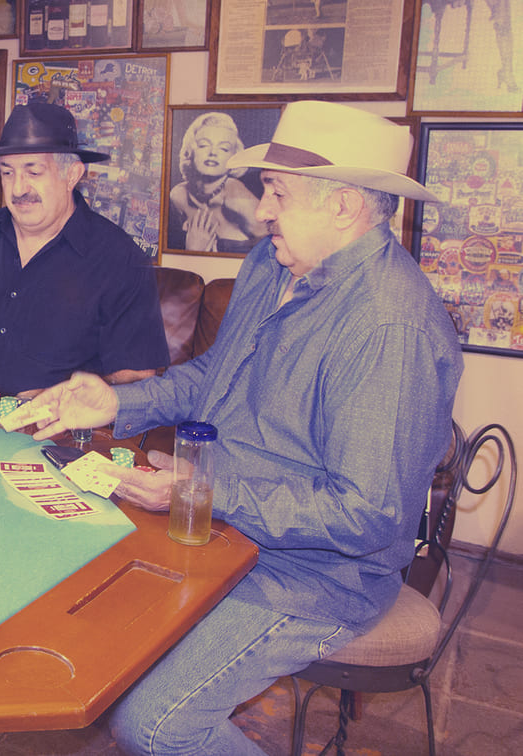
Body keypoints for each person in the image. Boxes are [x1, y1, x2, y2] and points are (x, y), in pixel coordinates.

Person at [26, 101, 463, 756]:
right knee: (76, 622)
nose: (261, 211)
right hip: (217, 533)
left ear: (344, 206)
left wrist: (205, 494)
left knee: (153, 724)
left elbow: (366, 515)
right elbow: (214, 374)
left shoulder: (389, 327)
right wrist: (116, 403)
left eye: (277, 192)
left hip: (312, 578)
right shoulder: (271, 263)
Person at [0, 102, 168, 397]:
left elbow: (137, 375)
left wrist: (61, 396)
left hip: (62, 424)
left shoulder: (119, 258)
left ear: (71, 175)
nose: (18, 189)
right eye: (7, 173)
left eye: (33, 172)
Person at [167, 111, 264, 254]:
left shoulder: (238, 199)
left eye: (224, 148)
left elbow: (270, 251)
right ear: (189, 151)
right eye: (203, 145)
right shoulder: (178, 195)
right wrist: (193, 250)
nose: (213, 152)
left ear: (234, 156)